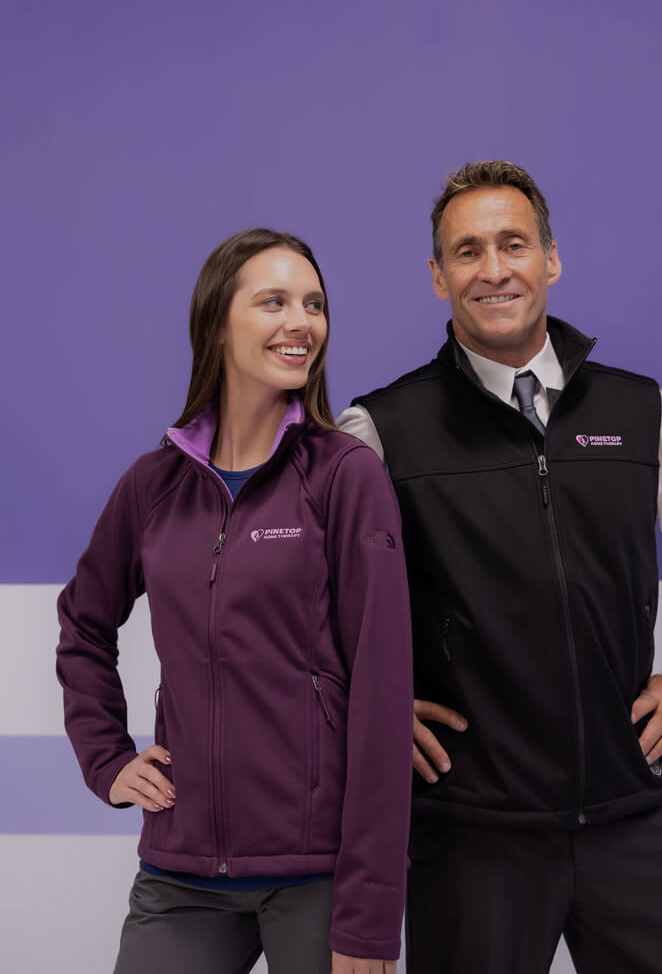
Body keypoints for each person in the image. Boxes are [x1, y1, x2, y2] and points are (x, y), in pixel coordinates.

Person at [338, 161, 662, 973]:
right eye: (467, 251)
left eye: (513, 244)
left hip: (633, 816)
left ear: (551, 259)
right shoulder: (382, 430)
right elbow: (305, 594)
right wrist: (368, 701)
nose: (493, 269)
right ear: (438, 276)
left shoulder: (640, 411)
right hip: (471, 837)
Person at [56, 228, 413, 974]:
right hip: (181, 869)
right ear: (218, 323)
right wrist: (106, 758)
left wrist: (371, 912)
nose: (301, 322)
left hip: (319, 875)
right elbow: (84, 623)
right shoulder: (154, 485)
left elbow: (383, 696)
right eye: (274, 302)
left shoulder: (344, 476)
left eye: (314, 304)